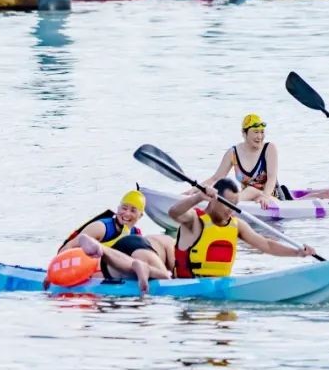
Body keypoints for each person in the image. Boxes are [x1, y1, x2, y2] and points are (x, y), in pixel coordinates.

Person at [167, 178, 315, 278]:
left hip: (220, 289)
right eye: (227, 204)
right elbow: (173, 212)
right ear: (213, 200)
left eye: (234, 204)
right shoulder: (194, 221)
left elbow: (267, 245)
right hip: (189, 295)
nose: (231, 210)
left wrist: (297, 253)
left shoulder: (236, 225)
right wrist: (198, 197)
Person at [58, 189, 177, 273]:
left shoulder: (136, 234)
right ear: (118, 209)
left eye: (133, 210)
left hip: (113, 270)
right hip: (84, 268)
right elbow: (69, 247)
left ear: (140, 216)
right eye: (124, 208)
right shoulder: (102, 227)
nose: (126, 213)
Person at [196, 114, 284, 207]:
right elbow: (216, 178)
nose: (260, 136)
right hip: (247, 199)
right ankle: (227, 200)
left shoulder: (269, 148)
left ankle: (229, 200)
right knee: (242, 190)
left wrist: (265, 196)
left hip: (272, 198)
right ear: (244, 133)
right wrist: (193, 190)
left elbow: (271, 178)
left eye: (262, 132)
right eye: (256, 132)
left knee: (251, 190)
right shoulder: (233, 153)